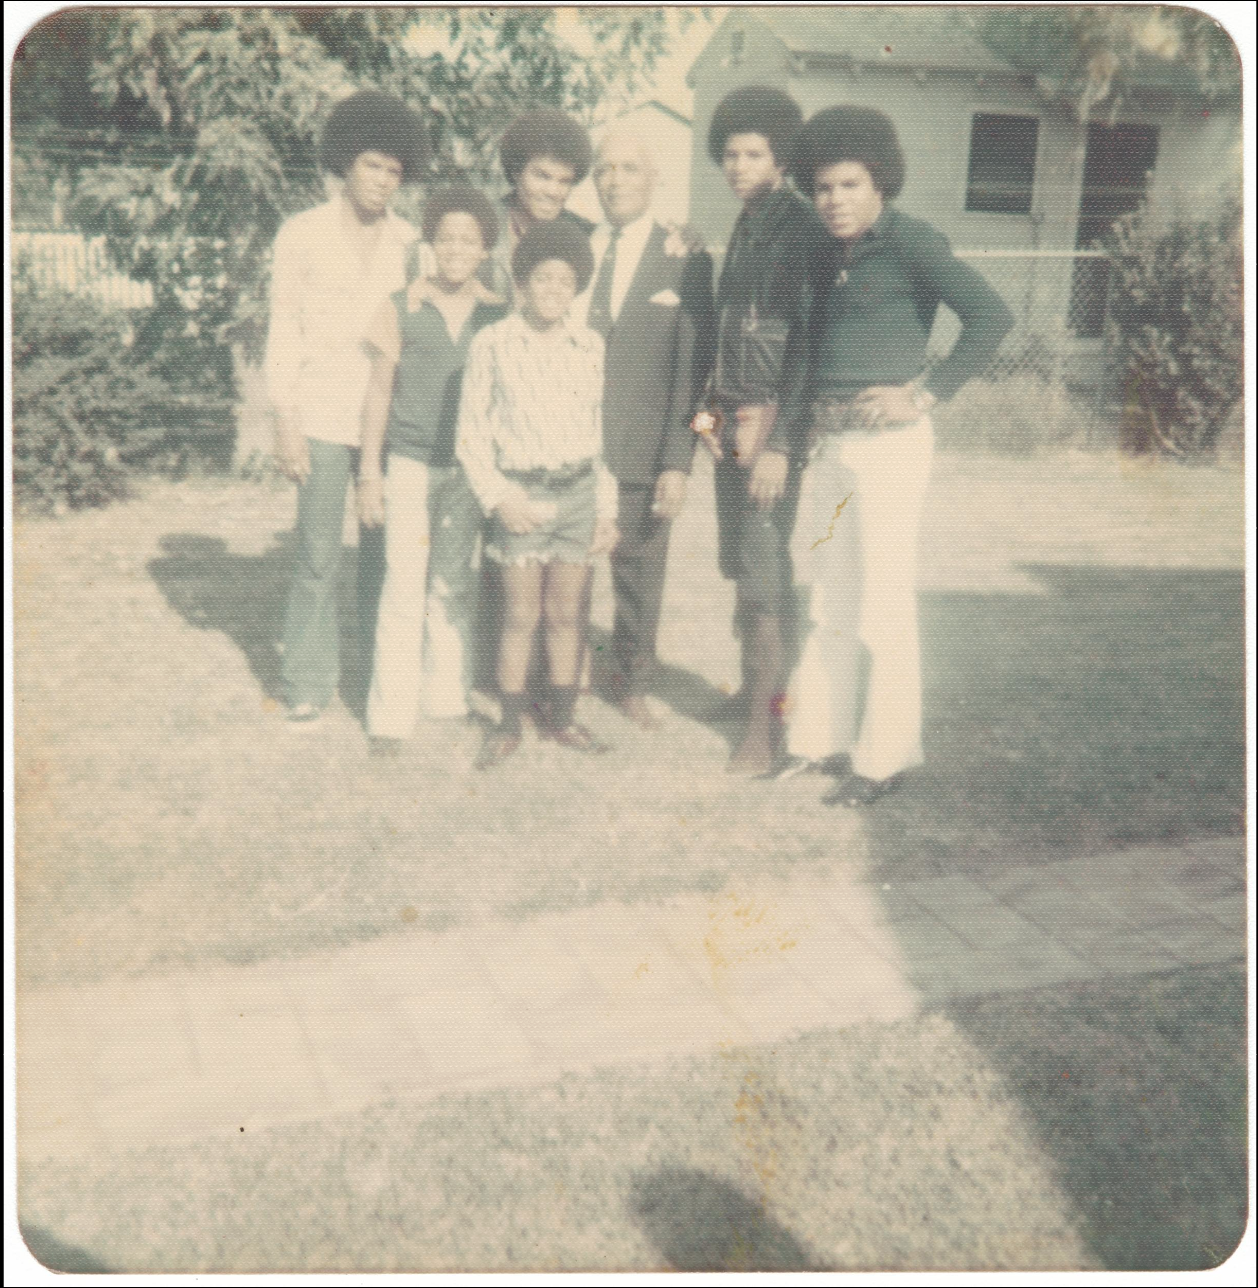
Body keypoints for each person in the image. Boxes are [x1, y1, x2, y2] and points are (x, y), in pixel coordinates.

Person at [778, 105, 1014, 805]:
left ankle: (883, 760)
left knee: (883, 599)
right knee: (829, 596)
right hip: (833, 444)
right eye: (822, 188)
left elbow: (992, 317)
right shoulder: (823, 252)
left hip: (891, 450)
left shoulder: (914, 243)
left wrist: (926, 394)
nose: (834, 201)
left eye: (849, 185)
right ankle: (821, 741)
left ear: (878, 182)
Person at [267, 90, 429, 723]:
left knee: (383, 552)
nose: (382, 181)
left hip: (388, 415)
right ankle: (307, 678)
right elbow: (282, 327)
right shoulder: (301, 233)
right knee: (316, 553)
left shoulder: (413, 242)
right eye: (370, 165)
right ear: (344, 163)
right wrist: (286, 419)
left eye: (393, 170)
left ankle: (371, 674)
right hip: (320, 411)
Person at [456, 221, 618, 769]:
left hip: (576, 493)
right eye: (542, 279)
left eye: (564, 281)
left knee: (566, 614)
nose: (552, 290)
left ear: (576, 289)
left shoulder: (590, 345)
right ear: (522, 283)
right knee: (521, 615)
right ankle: (505, 725)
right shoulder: (493, 343)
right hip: (520, 495)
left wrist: (605, 507)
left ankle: (564, 718)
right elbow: (471, 436)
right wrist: (500, 498)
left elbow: (601, 437)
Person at [699, 85, 828, 774]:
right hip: (730, 423)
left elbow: (808, 345)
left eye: (753, 154)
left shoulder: (800, 230)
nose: (738, 165)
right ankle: (752, 688)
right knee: (738, 566)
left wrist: (782, 443)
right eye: (729, 154)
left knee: (764, 576)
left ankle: (763, 732)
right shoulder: (747, 226)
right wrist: (706, 420)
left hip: (772, 430)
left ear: (779, 159)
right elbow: (728, 337)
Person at [357, 186, 509, 755]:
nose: (456, 249)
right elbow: (377, 395)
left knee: (452, 584)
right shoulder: (400, 308)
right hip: (410, 464)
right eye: (446, 238)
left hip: (468, 471)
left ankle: (445, 698)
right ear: (430, 243)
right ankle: (389, 718)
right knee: (402, 584)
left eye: (469, 240)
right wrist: (369, 474)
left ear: (485, 249)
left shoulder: (498, 314)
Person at [578, 131, 712, 728]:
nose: (614, 181)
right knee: (565, 567)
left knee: (638, 573)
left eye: (630, 167)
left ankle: (630, 680)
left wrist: (677, 461)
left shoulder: (683, 254)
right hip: (570, 443)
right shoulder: (576, 246)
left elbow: (693, 367)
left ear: (655, 179)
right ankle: (561, 672)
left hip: (643, 445)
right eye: (604, 169)